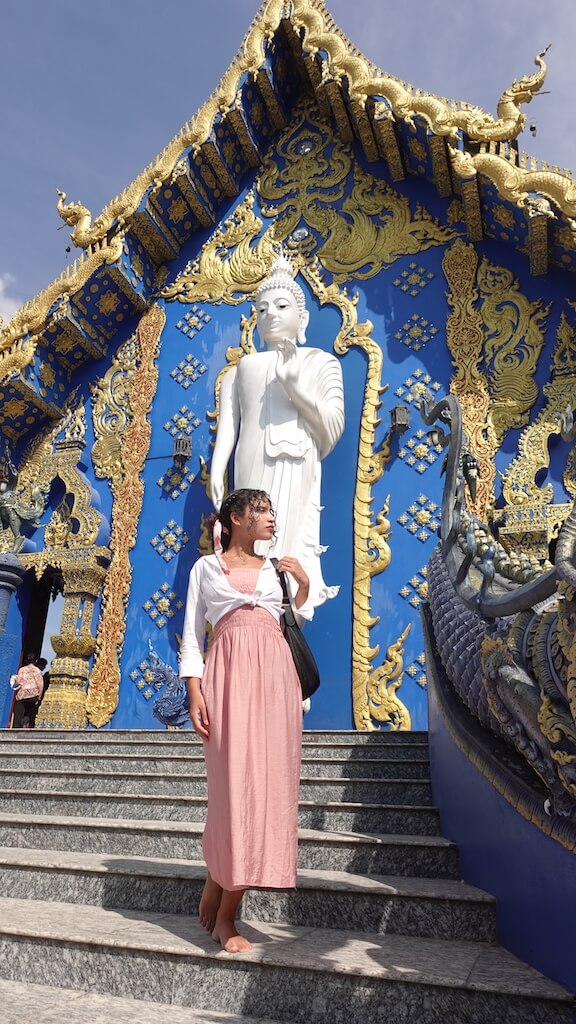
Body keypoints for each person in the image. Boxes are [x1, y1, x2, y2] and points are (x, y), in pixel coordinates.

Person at [180, 488, 311, 953]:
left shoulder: (276, 570)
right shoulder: (206, 569)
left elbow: (290, 624)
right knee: (233, 790)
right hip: (227, 678)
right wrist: (194, 691)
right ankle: (219, 883)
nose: (271, 518)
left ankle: (226, 910)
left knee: (267, 789)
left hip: (276, 681)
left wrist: (303, 589)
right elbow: (194, 636)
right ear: (235, 518)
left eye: (273, 510)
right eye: (262, 511)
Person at [209, 256, 344, 609]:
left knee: (285, 536)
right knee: (248, 534)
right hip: (251, 459)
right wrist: (217, 468)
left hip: (296, 461)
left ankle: (282, 608)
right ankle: (244, 596)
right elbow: (229, 426)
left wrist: (294, 387)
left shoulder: (320, 361)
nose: (271, 315)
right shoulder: (241, 369)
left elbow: (332, 427)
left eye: (281, 306)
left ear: (303, 318)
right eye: (262, 309)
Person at [11, 655, 44, 729]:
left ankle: (15, 731)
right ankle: (29, 728)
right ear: (35, 661)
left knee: (18, 715)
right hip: (33, 695)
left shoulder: (22, 669)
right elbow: (40, 684)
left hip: (22, 694)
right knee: (31, 714)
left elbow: (18, 681)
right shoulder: (37, 671)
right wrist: (39, 696)